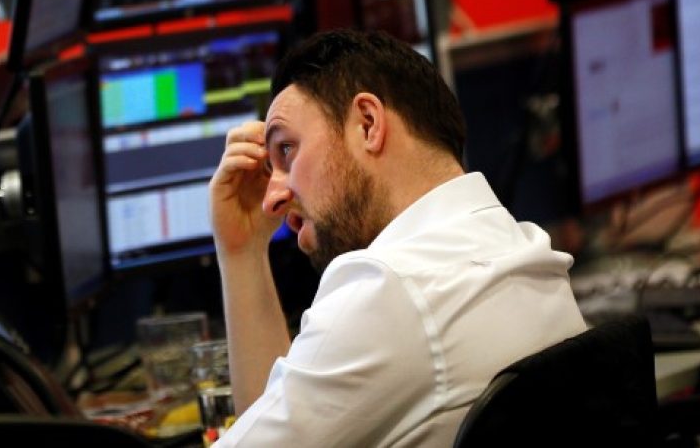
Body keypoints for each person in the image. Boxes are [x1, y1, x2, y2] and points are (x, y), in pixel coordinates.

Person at [209, 29, 586, 446]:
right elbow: (268, 420)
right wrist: (242, 251)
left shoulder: (386, 289)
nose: (271, 199)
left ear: (367, 124)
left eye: (286, 150)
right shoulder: (521, 247)